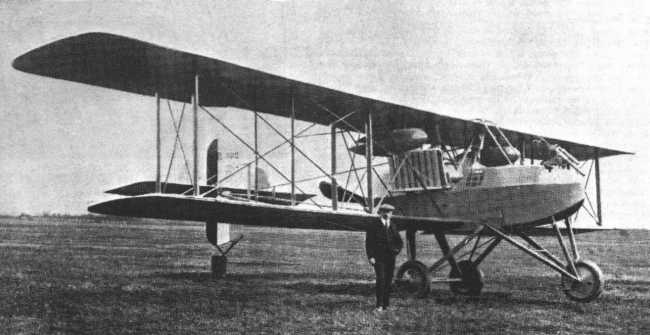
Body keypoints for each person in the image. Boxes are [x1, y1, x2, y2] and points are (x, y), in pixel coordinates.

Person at [365, 203, 403, 312]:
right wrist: (371, 256)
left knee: (388, 280)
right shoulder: (373, 225)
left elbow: (399, 241)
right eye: (385, 211)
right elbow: (369, 242)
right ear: (380, 212)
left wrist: (396, 250)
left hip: (390, 257)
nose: (387, 214)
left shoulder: (393, 225)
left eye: (389, 212)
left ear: (391, 214)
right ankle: (379, 305)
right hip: (379, 257)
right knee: (381, 279)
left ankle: (386, 304)